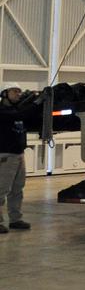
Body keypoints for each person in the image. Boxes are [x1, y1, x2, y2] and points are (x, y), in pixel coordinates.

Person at [0, 83, 31, 232]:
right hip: (6, 154)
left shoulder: (16, 110)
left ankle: (15, 219)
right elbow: (19, 115)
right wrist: (35, 103)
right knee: (2, 188)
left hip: (19, 154)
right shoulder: (3, 110)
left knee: (17, 188)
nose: (18, 94)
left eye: (19, 91)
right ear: (5, 93)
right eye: (14, 91)